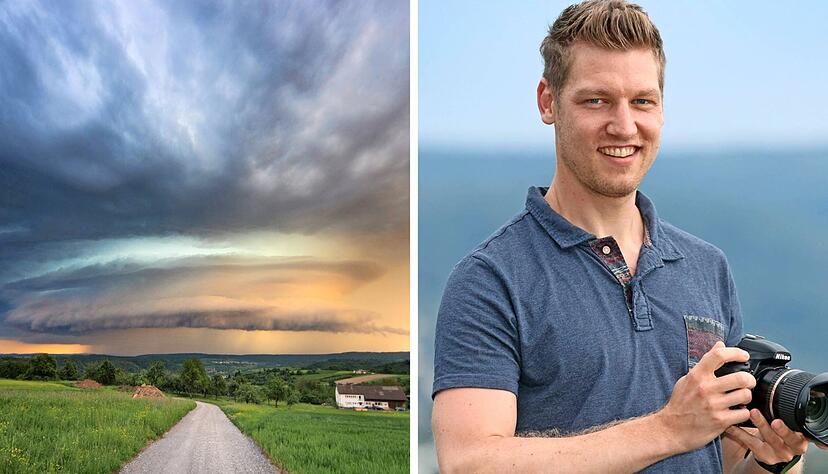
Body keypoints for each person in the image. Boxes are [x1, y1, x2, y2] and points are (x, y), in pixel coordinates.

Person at [431, 1, 823, 472]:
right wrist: (668, 429)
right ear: (547, 101)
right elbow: (470, 462)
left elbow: (722, 460)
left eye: (642, 101)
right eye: (596, 100)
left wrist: (775, 460)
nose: (624, 126)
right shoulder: (490, 279)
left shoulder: (707, 267)